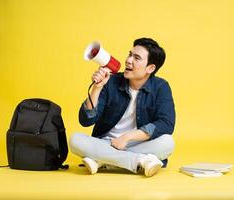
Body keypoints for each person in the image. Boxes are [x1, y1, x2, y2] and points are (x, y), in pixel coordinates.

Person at [70, 38, 175, 177]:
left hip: (136, 144)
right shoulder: (111, 81)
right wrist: (96, 88)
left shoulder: (161, 87)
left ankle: (103, 161)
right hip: (106, 142)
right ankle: (140, 161)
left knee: (168, 142)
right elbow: (86, 120)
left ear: (151, 68)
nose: (128, 60)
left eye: (136, 58)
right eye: (130, 54)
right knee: (75, 140)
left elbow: (166, 124)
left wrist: (128, 137)